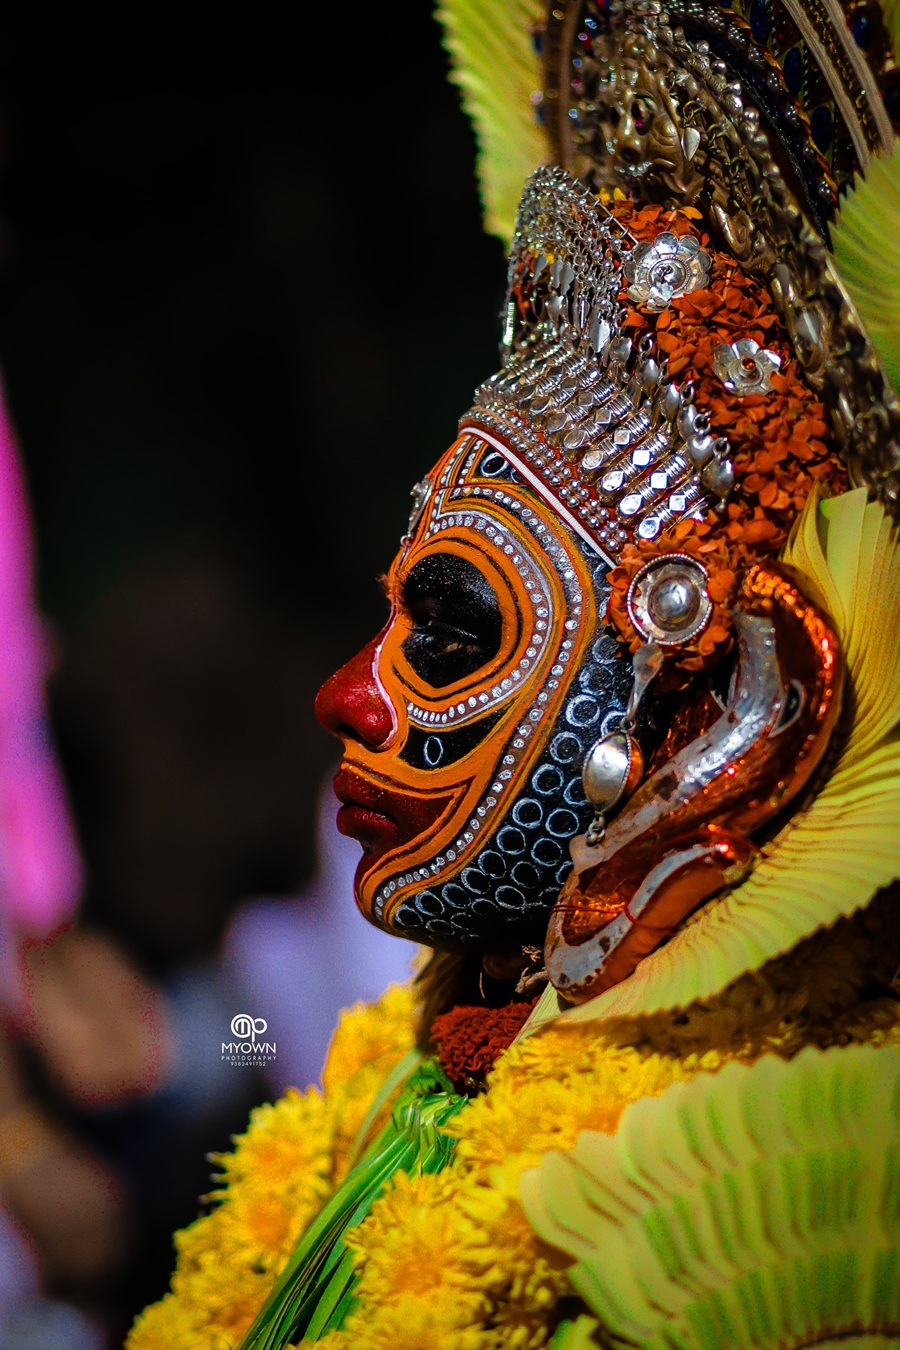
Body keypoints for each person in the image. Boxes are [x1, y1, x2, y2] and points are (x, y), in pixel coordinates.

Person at [127, 1, 900, 1347]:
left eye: (452, 630)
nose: (345, 697)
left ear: (729, 717)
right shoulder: (427, 1071)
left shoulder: (742, 1244)